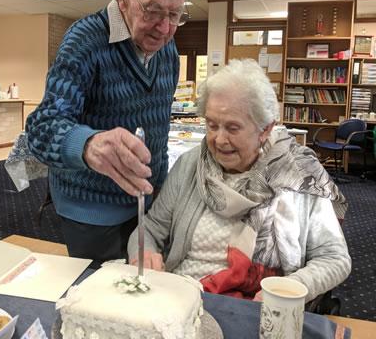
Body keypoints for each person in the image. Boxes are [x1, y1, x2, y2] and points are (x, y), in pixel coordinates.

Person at [128, 58, 351, 303]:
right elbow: (150, 228)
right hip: (182, 298)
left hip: (259, 306)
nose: (219, 139)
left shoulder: (300, 176)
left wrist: (291, 288)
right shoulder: (190, 165)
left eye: (233, 128)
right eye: (212, 125)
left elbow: (334, 257)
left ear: (265, 129)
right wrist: (145, 251)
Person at [26, 0, 190, 265]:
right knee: (99, 299)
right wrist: (89, 144)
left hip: (147, 206)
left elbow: (159, 130)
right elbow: (42, 128)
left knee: (143, 292)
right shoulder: (85, 41)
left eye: (175, 15)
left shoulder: (168, 50)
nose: (164, 28)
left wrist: (160, 191)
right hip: (91, 209)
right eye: (153, 11)